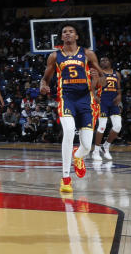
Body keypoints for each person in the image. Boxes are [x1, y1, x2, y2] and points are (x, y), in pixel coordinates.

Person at [39, 24, 103, 193]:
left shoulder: (88, 54)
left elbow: (104, 79)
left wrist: (97, 79)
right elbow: (45, 79)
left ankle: (78, 155)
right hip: (66, 99)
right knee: (68, 131)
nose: (67, 34)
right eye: (64, 32)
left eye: (71, 31)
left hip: (85, 101)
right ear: (61, 37)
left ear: (77, 36)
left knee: (87, 146)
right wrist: (42, 86)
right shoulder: (55, 56)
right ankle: (66, 178)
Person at [92, 57, 122, 161]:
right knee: (102, 126)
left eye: (106, 60)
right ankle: (95, 151)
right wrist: (94, 96)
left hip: (113, 102)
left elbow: (118, 89)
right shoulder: (98, 73)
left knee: (118, 126)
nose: (104, 62)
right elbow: (92, 87)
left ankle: (106, 146)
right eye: (102, 61)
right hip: (102, 102)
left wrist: (119, 96)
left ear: (110, 62)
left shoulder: (116, 74)